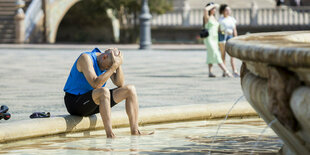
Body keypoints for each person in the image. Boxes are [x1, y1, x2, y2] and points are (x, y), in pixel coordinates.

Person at [63, 47, 151, 138]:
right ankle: (110, 135)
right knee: (104, 91)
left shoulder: (106, 62)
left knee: (130, 89)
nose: (108, 69)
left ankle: (135, 131)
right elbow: (95, 84)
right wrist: (113, 67)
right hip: (75, 103)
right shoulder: (85, 58)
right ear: (104, 57)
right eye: (108, 67)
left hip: (92, 101)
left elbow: (120, 83)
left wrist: (118, 65)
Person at [203, 2, 232, 77]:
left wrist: (226, 31)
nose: (214, 10)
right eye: (213, 9)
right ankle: (226, 71)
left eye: (215, 9)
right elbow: (205, 9)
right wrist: (213, 5)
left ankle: (210, 72)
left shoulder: (214, 18)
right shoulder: (207, 17)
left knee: (210, 54)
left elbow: (219, 29)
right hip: (209, 38)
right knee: (216, 54)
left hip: (215, 38)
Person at [218, 4, 240, 77]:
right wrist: (225, 32)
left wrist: (236, 38)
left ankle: (234, 70)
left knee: (232, 55)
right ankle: (224, 71)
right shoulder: (220, 20)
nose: (228, 11)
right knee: (223, 55)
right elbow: (219, 30)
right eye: (226, 10)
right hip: (223, 37)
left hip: (230, 37)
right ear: (223, 11)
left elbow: (234, 30)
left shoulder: (232, 19)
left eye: (229, 10)